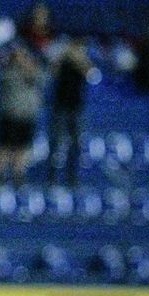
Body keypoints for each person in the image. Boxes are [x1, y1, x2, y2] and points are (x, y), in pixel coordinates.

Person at [0, 43, 45, 184]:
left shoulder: (33, 70)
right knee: (5, 146)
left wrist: (26, 62)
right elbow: (3, 79)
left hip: (27, 115)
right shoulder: (7, 71)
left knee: (23, 147)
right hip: (10, 115)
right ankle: (0, 176)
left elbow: (37, 77)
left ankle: (18, 175)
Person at [48, 37, 94, 186]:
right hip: (60, 106)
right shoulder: (62, 60)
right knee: (57, 142)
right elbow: (53, 71)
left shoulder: (83, 62)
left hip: (76, 107)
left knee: (76, 144)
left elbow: (91, 75)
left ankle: (72, 176)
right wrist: (64, 57)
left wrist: (79, 59)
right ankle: (53, 177)